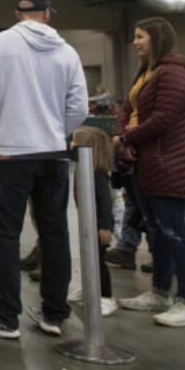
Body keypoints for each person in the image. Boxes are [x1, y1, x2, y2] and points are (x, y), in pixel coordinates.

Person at [0, 0, 88, 340]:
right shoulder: (68, 51)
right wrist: (55, 132)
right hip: (53, 153)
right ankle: (54, 313)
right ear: (47, 15)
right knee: (54, 231)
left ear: (18, 14)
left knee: (5, 233)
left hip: (11, 152)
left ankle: (5, 316)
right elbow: (79, 106)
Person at [114, 17, 185, 327]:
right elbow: (126, 109)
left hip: (169, 163)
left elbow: (162, 120)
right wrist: (121, 136)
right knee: (155, 229)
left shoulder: (173, 74)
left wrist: (127, 138)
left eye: (140, 36)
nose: (135, 42)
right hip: (144, 162)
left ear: (156, 39)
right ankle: (159, 291)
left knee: (174, 232)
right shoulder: (147, 72)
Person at [66, 126, 118, 316]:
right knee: (87, 256)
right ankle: (89, 288)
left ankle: (107, 296)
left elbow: (105, 201)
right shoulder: (82, 170)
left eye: (75, 142)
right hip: (88, 222)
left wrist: (105, 226)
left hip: (99, 225)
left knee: (98, 260)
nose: (71, 145)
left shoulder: (97, 175)